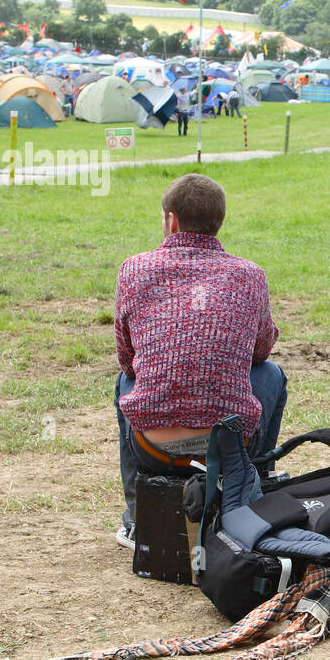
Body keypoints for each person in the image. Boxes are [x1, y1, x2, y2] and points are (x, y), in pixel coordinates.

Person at [113, 173, 287, 548]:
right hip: (228, 448)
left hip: (152, 447)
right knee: (271, 374)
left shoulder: (133, 269)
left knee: (125, 382)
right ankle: (252, 497)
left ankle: (136, 518)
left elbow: (127, 359)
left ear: (170, 220)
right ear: (219, 222)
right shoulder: (250, 275)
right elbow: (261, 352)